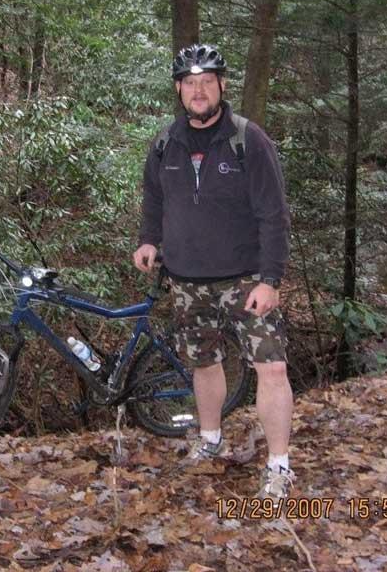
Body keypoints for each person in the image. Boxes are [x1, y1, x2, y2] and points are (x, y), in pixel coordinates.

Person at [132, 44, 294, 499]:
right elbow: (154, 198)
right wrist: (148, 239)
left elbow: (274, 213)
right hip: (186, 279)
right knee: (203, 364)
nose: (198, 90)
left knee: (272, 367)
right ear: (179, 90)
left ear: (222, 86)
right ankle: (209, 439)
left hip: (246, 279)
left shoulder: (248, 139)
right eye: (189, 83)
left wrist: (271, 278)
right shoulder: (166, 142)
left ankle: (279, 464)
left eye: (207, 82)